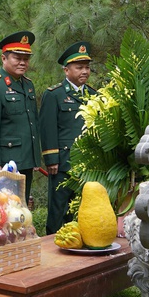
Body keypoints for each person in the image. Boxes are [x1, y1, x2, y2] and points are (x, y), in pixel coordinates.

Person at [39, 41, 96, 234]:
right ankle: (54, 243)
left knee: (84, 206)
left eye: (87, 67)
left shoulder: (93, 94)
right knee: (59, 207)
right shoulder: (54, 94)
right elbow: (47, 128)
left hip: (88, 163)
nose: (84, 72)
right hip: (63, 161)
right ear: (66, 70)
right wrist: (51, 159)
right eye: (79, 67)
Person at [0, 31, 40, 200]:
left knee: (22, 210)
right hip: (7, 163)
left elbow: (32, 122)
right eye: (17, 58)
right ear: (3, 58)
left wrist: (35, 158)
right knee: (5, 211)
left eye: (26, 59)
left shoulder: (28, 85)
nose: (22, 62)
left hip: (26, 159)